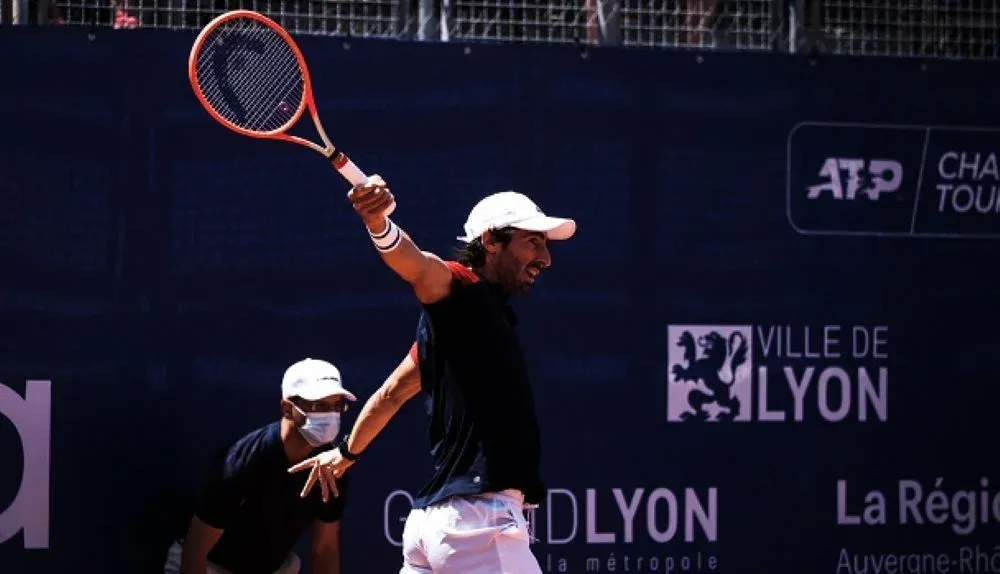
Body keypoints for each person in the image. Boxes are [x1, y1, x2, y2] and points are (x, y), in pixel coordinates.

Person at [289, 176, 576, 573]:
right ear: (491, 241)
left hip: (433, 525)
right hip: (477, 524)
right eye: (533, 242)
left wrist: (346, 452)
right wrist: (379, 223)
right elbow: (418, 266)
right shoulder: (462, 288)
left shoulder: (462, 326)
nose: (545, 258)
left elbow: (392, 393)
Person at [165, 358, 356, 574]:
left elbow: (325, 549)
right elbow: (195, 551)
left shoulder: (334, 465)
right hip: (210, 566)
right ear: (287, 408)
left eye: (337, 406)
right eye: (319, 406)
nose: (331, 415)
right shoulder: (242, 461)